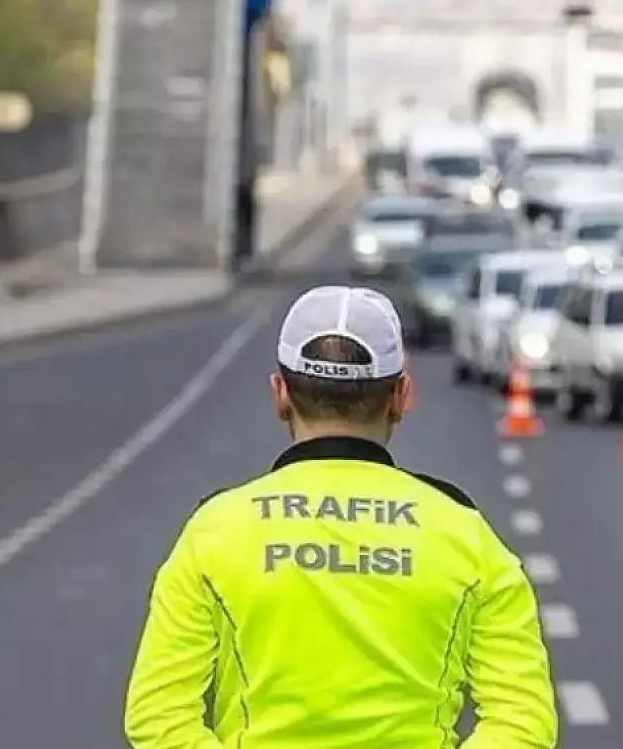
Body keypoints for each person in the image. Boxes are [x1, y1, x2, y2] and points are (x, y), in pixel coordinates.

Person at [123, 286, 559, 748]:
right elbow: (522, 721)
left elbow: (157, 717)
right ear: (401, 396)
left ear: (281, 394)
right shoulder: (465, 534)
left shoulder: (216, 531)